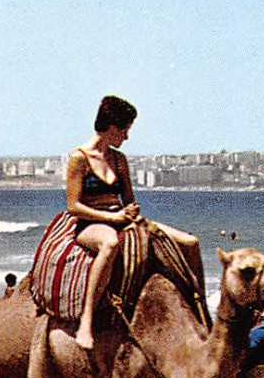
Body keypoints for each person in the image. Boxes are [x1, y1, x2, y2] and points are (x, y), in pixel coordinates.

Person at [66, 95, 203, 350]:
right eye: (125, 129)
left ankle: (200, 311)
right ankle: (87, 318)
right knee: (109, 245)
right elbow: (74, 206)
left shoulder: (119, 159)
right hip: (92, 224)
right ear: (111, 127)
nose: (127, 136)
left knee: (190, 242)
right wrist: (112, 217)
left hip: (122, 218)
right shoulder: (80, 158)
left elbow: (128, 198)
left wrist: (131, 210)